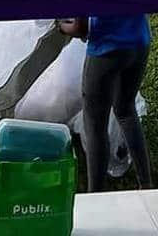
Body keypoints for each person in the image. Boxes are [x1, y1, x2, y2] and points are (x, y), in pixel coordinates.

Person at [61, 14, 153, 192]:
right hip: (139, 41)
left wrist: (61, 25)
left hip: (106, 48)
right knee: (126, 110)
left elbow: (79, 28)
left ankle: (95, 194)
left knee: (95, 125)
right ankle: (146, 183)